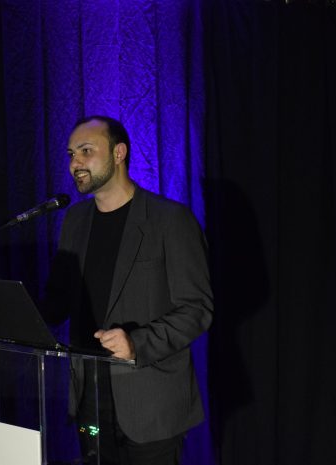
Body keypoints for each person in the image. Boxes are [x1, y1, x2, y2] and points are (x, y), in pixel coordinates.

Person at [44, 116, 213, 465]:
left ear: (119, 153)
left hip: (151, 402)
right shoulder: (75, 221)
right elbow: (57, 302)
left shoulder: (170, 220)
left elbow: (197, 309)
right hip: (90, 395)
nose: (75, 163)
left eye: (86, 151)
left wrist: (137, 343)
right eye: (71, 154)